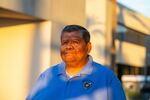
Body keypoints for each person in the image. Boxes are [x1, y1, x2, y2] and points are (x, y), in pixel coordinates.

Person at [26, 25, 126, 100]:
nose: (69, 46)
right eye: (65, 42)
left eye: (75, 42)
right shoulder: (47, 76)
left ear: (88, 47)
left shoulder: (106, 77)